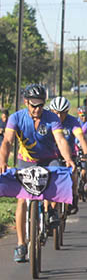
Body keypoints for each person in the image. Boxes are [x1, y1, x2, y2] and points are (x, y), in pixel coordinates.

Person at [0, 84, 76, 263]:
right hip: (26, 160)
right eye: (33, 105)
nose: (37, 109)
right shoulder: (16, 117)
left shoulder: (52, 118)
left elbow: (60, 140)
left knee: (58, 177)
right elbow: (8, 141)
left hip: (49, 159)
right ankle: (21, 244)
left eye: (40, 105)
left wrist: (68, 158)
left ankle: (52, 210)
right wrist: (2, 161)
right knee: (22, 200)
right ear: (26, 102)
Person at [49, 97, 87, 214]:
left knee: (73, 175)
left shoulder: (72, 121)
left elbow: (81, 137)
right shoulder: (48, 120)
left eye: (62, 113)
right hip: (52, 155)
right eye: (56, 113)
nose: (59, 116)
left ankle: (74, 196)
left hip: (69, 155)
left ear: (67, 112)